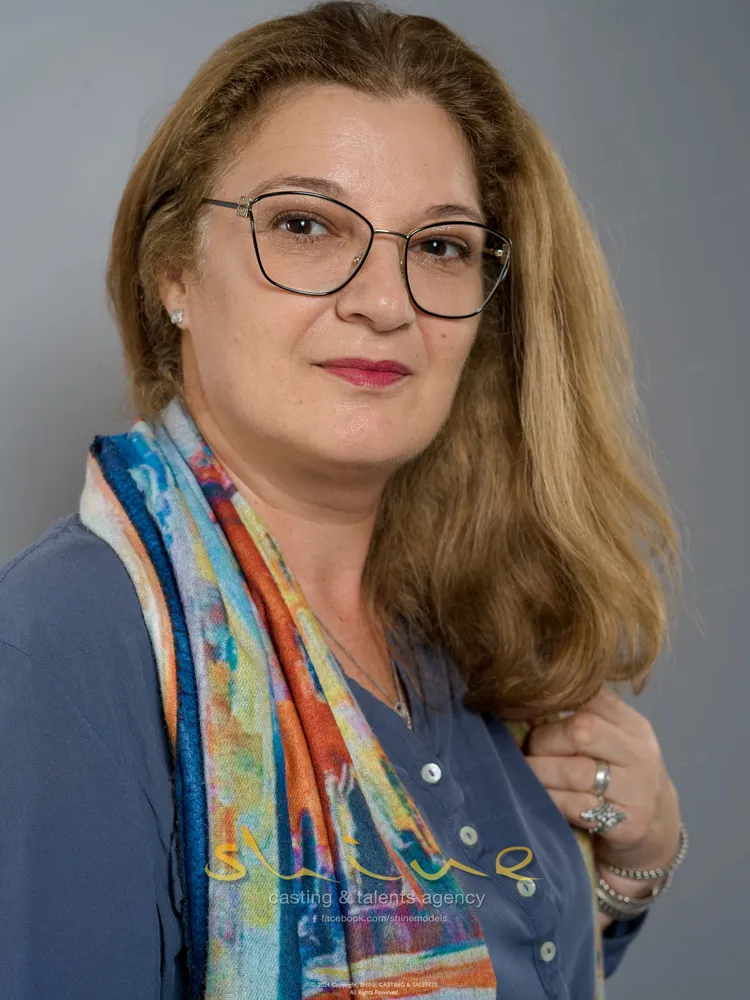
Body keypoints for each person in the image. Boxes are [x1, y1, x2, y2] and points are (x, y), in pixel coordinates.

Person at [0, 2, 688, 998]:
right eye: (306, 226)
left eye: (440, 246)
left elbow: (500, 959)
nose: (385, 300)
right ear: (174, 272)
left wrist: (631, 866)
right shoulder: (68, 641)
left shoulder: (462, 617)